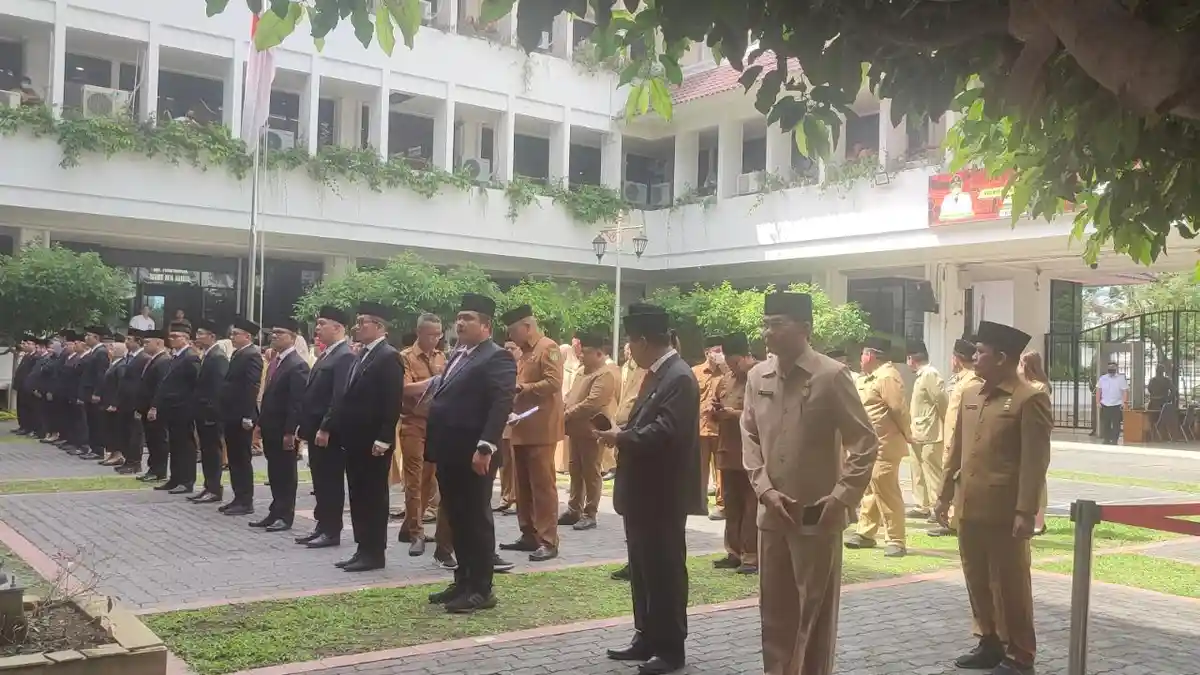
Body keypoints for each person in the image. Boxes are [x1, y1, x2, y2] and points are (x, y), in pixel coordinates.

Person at [742, 292, 879, 675]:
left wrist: (841, 497)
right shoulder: (757, 376)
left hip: (817, 516)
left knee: (815, 615)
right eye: (765, 323)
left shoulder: (832, 376)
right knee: (774, 615)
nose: (768, 332)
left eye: (778, 323)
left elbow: (865, 440)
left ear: (805, 328)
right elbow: (749, 438)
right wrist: (764, 490)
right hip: (772, 515)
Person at [935, 321, 1052, 675]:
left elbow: (1035, 461)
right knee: (977, 576)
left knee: (1011, 582)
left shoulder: (1029, 398)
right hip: (970, 505)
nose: (974, 357)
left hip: (1005, 510)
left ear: (1002, 358)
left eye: (981, 352)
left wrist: (1025, 511)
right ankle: (989, 640)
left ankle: (1020, 654)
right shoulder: (971, 394)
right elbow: (956, 450)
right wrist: (942, 497)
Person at [593, 302, 704, 675]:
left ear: (643, 340)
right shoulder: (657, 374)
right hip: (642, 492)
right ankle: (646, 635)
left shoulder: (679, 377)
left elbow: (664, 432)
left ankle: (671, 649)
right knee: (642, 568)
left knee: (665, 569)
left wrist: (619, 437)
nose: (628, 349)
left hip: (662, 493)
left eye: (630, 341)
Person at [424, 293, 517, 612]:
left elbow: (501, 403)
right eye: (459, 317)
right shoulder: (459, 354)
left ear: (486, 325)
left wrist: (486, 446)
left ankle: (482, 589)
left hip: (475, 452)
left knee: (476, 519)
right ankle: (462, 580)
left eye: (469, 318)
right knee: (458, 518)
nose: (460, 323)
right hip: (449, 451)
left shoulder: (497, 357)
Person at [324, 302, 401, 572]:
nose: (357, 327)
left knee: (373, 497)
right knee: (357, 496)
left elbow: (392, 401)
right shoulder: (363, 354)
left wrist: (384, 437)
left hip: (373, 442)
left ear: (379, 326)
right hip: (355, 439)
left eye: (363, 322)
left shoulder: (388, 356)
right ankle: (362, 547)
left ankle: (374, 552)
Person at [499, 305, 564, 562]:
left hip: (541, 428)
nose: (511, 336)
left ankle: (548, 540)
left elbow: (554, 382)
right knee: (522, 486)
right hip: (520, 427)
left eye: (513, 330)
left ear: (526, 327)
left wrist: (523, 388)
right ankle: (528, 534)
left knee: (542, 487)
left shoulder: (548, 348)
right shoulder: (524, 353)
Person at [296, 306, 355, 549]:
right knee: (319, 481)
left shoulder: (345, 355)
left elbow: (338, 397)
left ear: (338, 328)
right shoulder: (327, 354)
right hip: (315, 428)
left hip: (329, 432)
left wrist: (325, 427)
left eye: (322, 323)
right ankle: (322, 525)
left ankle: (332, 531)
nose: (317, 328)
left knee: (330, 481)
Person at [845, 338, 911, 557]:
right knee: (872, 487)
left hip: (886, 443)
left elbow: (898, 409)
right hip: (870, 444)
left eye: (863, 354)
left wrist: (908, 434)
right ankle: (865, 533)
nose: (861, 359)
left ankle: (896, 539)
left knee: (886, 488)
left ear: (871, 355)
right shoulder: (871, 377)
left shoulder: (887, 376)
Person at [395, 312, 448, 556]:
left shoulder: (441, 357)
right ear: (419, 333)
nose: (435, 340)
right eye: (430, 335)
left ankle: (408, 526)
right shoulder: (405, 357)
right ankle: (416, 532)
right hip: (413, 424)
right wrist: (434, 382)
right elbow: (404, 389)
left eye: (438, 335)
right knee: (414, 481)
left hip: (436, 425)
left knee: (429, 479)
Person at [251, 319, 310, 532]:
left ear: (293, 337)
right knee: (274, 472)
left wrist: (290, 432)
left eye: (280, 332)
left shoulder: (298, 364)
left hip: (284, 429)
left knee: (286, 474)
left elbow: (296, 403)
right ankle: (275, 511)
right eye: (273, 332)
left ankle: (286, 515)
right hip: (270, 426)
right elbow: (268, 396)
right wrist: (260, 424)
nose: (274, 336)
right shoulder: (277, 361)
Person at [710, 332, 759, 575]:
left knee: (751, 506)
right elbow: (717, 405)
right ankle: (734, 552)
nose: (732, 367)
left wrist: (733, 414)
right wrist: (717, 413)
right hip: (728, 449)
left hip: (751, 453)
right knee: (731, 504)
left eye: (736, 361)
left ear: (746, 357)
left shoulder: (759, 377)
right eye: (728, 363)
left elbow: (761, 415)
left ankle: (751, 556)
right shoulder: (726, 380)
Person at [559, 332, 618, 531]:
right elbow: (571, 395)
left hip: (592, 431)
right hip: (576, 430)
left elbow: (593, 403)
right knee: (575, 469)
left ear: (599, 354)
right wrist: (564, 406)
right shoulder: (582, 372)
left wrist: (568, 413)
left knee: (591, 472)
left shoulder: (605, 374)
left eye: (585, 353)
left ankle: (590, 512)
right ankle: (573, 508)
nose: (581, 356)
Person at [928, 337, 981, 538]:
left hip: (961, 442)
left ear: (957, 359)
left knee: (960, 481)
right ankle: (952, 520)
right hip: (952, 439)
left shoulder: (972, 382)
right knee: (952, 479)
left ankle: (956, 522)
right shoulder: (961, 380)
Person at [218, 317, 264, 516]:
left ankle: (246, 500)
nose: (232, 337)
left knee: (242, 458)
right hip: (231, 413)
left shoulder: (252, 355)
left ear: (247, 336)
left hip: (242, 415)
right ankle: (238, 497)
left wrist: (247, 415)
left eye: (236, 334)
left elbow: (251, 386)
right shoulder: (239, 353)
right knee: (235, 458)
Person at [149, 323, 201, 494]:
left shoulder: (191, 357)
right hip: (171, 409)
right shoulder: (175, 356)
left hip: (183, 409)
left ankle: (186, 480)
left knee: (185, 446)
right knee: (175, 445)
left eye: (175, 336)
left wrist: (189, 406)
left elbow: (195, 385)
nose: (171, 340)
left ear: (186, 338)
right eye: (170, 337)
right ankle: (175, 478)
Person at [190, 320, 230, 504]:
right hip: (202, 412)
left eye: (201, 334)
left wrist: (212, 414)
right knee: (205, 451)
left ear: (212, 336)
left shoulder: (218, 356)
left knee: (212, 452)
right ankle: (208, 486)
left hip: (211, 415)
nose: (197, 337)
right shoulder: (207, 354)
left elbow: (218, 388)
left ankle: (214, 488)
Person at [905, 340, 947, 520]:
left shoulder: (930, 374)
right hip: (917, 432)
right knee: (917, 471)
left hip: (931, 432)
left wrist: (947, 424)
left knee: (932, 472)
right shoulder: (920, 376)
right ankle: (922, 505)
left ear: (910, 359)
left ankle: (937, 508)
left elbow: (942, 401)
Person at [1019, 350, 1052, 536]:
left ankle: (1039, 521)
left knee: (1037, 477)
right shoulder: (1024, 386)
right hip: (1022, 436)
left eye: (1020, 364)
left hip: (1036, 437)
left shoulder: (1040, 387)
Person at [695, 336, 726, 520]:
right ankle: (699, 503)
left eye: (721, 350)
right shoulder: (696, 372)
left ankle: (722, 504)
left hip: (719, 427)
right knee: (700, 468)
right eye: (715, 351)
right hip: (699, 427)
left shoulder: (727, 373)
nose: (719, 354)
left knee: (721, 468)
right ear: (707, 352)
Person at [135, 330, 171, 482]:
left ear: (158, 342)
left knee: (158, 439)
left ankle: (159, 470)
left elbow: (161, 386)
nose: (145, 346)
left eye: (147, 342)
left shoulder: (163, 360)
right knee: (151, 439)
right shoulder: (153, 359)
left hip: (154, 408)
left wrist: (154, 406)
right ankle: (153, 468)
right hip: (146, 406)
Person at [113, 331, 148, 474]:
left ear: (138, 342)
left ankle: (135, 463)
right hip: (124, 400)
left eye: (129, 339)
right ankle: (128, 460)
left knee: (135, 434)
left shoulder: (143, 357)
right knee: (125, 432)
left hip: (135, 401)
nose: (126, 342)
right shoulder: (128, 357)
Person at [78, 326, 112, 460]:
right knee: (91, 421)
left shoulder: (101, 352)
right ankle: (93, 447)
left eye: (89, 335)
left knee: (95, 422)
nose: (86, 338)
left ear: (96, 338)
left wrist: (97, 392)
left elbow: (101, 374)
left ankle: (98, 450)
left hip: (94, 392)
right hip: (88, 391)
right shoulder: (94, 352)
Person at [98, 338, 128, 466]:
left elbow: (120, 385)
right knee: (108, 429)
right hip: (107, 401)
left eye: (111, 349)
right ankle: (111, 453)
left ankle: (118, 454)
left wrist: (115, 403)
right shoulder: (113, 363)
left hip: (114, 403)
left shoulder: (121, 365)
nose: (108, 351)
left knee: (115, 430)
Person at [1095, 361, 1129, 444]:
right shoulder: (1103, 378)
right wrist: (1097, 402)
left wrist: (1124, 402)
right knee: (1106, 423)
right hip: (1105, 404)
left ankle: (1114, 440)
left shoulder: (1121, 378)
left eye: (1113, 368)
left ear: (1116, 368)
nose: (1111, 369)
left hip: (1117, 404)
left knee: (1116, 424)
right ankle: (1106, 439)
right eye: (1110, 368)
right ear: (1107, 369)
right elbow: (1098, 390)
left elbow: (1125, 391)